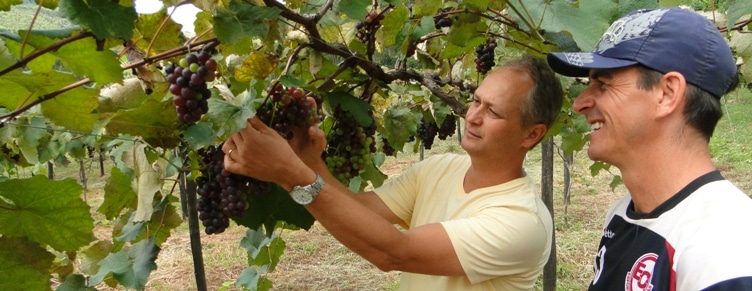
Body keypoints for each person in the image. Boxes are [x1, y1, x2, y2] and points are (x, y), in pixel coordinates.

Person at [221, 54, 564, 290]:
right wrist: (309, 160)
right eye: (476, 101)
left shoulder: (521, 222)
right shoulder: (440, 168)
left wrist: (290, 173)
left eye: (494, 112)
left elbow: (393, 252)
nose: (472, 117)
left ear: (532, 134)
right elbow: (363, 211)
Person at [547, 7, 752, 290]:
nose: (579, 103)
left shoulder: (724, 250)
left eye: (604, 84)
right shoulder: (623, 214)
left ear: (667, 94)